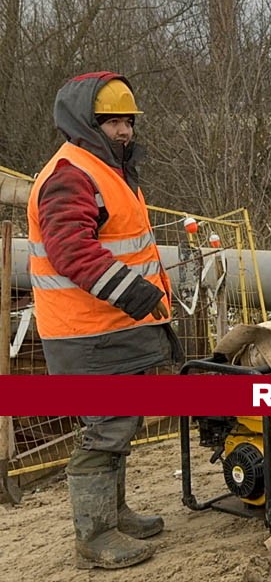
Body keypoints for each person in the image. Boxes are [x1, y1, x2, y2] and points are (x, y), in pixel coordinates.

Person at [26, 72, 181, 569]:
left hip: (111, 327)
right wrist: (136, 294)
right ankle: (93, 537)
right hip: (86, 332)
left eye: (128, 121)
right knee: (105, 428)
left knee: (122, 422)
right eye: (112, 121)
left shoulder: (106, 171)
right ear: (85, 123)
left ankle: (113, 516)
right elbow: (72, 249)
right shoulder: (71, 174)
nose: (124, 131)